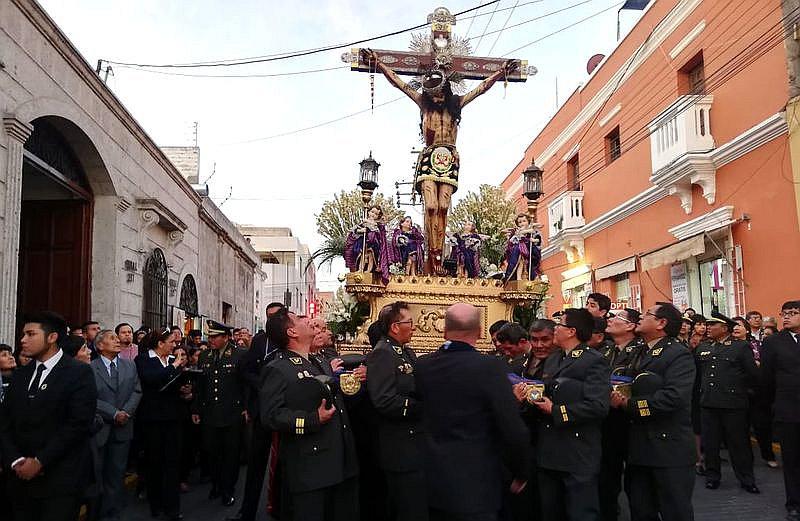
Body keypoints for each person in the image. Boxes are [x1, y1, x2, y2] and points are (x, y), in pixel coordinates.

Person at [364, 47, 518, 274]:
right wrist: (379, 65)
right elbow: (399, 83)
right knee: (432, 206)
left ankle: (439, 253)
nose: (435, 97)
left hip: (449, 156)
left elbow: (481, 89)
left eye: (438, 93)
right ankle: (431, 254)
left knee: (443, 207)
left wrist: (500, 73)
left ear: (445, 90)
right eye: (432, 93)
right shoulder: (423, 103)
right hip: (429, 156)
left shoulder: (456, 104)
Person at [416, 303, 529, 521]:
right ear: (478, 331)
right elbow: (512, 427)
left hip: (435, 476)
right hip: (478, 479)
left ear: (445, 331)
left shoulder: (424, 366)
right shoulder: (490, 367)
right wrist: (521, 471)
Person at [259, 309, 359, 521]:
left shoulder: (318, 362)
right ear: (292, 332)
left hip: (335, 461)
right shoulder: (278, 368)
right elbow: (271, 416)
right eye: (300, 319)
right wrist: (312, 420)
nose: (308, 320)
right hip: (309, 469)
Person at [0, 311, 97, 521]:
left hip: (60, 481)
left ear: (52, 337)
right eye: (23, 334)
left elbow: (78, 424)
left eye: (30, 334)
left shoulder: (79, 373)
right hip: (19, 480)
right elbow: (4, 422)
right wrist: (15, 460)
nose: (23, 340)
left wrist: (40, 461)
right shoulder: (20, 374)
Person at [610, 302, 695, 521]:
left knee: (674, 510)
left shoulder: (677, 354)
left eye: (647, 314)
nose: (640, 317)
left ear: (661, 323)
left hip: (667, 448)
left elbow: (673, 398)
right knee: (640, 510)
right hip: (638, 448)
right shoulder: (639, 350)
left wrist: (627, 405)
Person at [531, 308, 610, 521]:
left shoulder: (593, 360)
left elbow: (598, 405)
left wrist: (556, 411)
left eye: (559, 325)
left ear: (572, 331)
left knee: (580, 511)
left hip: (577, 449)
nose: (555, 329)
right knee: (551, 510)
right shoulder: (555, 358)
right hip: (550, 449)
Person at [367, 301, 426, 521]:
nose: (414, 326)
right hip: (400, 446)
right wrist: (421, 408)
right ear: (394, 327)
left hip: (414, 443)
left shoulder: (405, 352)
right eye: (409, 322)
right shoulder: (383, 353)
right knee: (408, 508)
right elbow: (383, 400)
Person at [696, 312, 760, 493]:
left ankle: (747, 479)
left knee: (739, 444)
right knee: (711, 444)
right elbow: (698, 375)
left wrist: (744, 392)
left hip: (734, 404)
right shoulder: (703, 347)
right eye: (707, 325)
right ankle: (712, 476)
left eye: (712, 325)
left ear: (725, 328)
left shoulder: (740, 347)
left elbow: (752, 375)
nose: (708, 327)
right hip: (708, 403)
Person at [234, 302, 286, 521]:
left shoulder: (289, 341)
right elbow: (244, 370)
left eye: (276, 317)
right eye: (268, 317)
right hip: (261, 411)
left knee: (284, 466)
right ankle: (246, 512)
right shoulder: (259, 341)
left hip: (285, 412)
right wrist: (262, 384)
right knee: (256, 466)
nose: (270, 321)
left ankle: (282, 509)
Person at [192, 320, 246, 507]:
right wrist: (196, 409)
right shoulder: (205, 356)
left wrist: (246, 408)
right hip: (210, 413)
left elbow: (246, 385)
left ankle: (227, 489)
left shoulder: (239, 355)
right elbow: (200, 386)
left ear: (226, 338)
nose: (211, 340)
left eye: (215, 337)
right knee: (211, 452)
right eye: (210, 337)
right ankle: (216, 484)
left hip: (232, 412)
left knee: (230, 454)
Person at [136, 328, 188, 521]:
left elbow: (172, 383)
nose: (175, 345)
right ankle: (155, 503)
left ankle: (172, 507)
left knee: (172, 463)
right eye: (171, 342)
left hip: (173, 418)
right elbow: (151, 379)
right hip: (153, 420)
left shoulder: (170, 361)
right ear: (160, 344)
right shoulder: (143, 360)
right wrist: (174, 366)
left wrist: (184, 388)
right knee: (154, 463)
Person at [91, 329, 142, 521]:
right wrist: (113, 413)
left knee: (116, 474)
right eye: (112, 338)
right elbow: (90, 398)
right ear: (100, 346)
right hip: (100, 429)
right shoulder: (90, 367)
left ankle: (111, 514)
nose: (118, 340)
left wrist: (126, 413)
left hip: (123, 428)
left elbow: (137, 391)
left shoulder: (130, 366)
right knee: (97, 474)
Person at [599, 308, 645, 521]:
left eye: (616, 318)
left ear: (630, 326)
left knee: (636, 481)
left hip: (632, 421)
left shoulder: (641, 351)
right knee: (607, 477)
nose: (609, 320)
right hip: (607, 421)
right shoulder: (607, 350)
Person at [760, 300, 800, 521]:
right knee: (792, 460)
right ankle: (794, 503)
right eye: (784, 313)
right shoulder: (773, 342)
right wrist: (773, 406)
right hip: (788, 410)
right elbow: (766, 379)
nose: (787, 317)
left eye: (793, 313)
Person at [731, 316, 779, 468]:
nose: (736, 328)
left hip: (758, 392)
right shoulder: (727, 347)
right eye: (733, 326)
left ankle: (768, 455)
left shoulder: (757, 344)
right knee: (740, 429)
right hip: (737, 392)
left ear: (746, 328)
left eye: (739, 325)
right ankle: (745, 460)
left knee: (762, 426)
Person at [344, 204, 390, 283]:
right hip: (362, 243)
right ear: (368, 212)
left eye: (376, 214)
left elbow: (379, 234)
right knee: (362, 256)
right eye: (372, 212)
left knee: (370, 256)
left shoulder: (377, 224)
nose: (373, 215)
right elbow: (354, 231)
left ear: (378, 216)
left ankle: (369, 269)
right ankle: (360, 268)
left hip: (373, 243)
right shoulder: (363, 222)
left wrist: (370, 228)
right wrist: (361, 231)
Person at [503, 213, 542, 281]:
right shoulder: (517, 230)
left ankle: (533, 276)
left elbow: (537, 238)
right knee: (520, 261)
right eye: (520, 222)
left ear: (528, 222)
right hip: (519, 248)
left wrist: (533, 239)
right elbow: (512, 235)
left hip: (529, 249)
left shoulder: (531, 230)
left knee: (529, 263)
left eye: (524, 221)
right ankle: (518, 277)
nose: (522, 223)